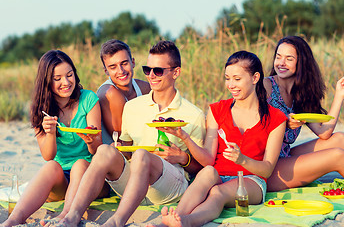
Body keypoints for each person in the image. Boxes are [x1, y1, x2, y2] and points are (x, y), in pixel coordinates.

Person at [48, 40, 206, 227]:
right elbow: (127, 150)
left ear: (176, 72)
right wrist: (119, 149)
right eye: (148, 70)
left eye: (158, 71)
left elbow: (202, 168)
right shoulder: (132, 107)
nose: (152, 76)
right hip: (133, 185)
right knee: (105, 151)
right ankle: (71, 217)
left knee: (141, 155)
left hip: (170, 186)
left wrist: (182, 158)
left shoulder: (193, 114)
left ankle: (117, 221)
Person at [150, 50, 287, 227]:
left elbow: (267, 170)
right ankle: (172, 220)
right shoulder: (217, 110)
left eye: (237, 79)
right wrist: (184, 137)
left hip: (251, 180)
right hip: (217, 174)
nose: (231, 85)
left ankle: (187, 222)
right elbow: (208, 159)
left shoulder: (275, 118)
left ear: (255, 78)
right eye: (227, 78)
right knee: (207, 172)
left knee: (217, 192)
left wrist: (242, 159)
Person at [1, 50, 108, 227]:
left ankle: (65, 216)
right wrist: (50, 133)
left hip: (90, 176)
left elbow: (98, 152)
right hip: (61, 182)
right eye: (57, 78)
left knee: (80, 163)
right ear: (47, 81)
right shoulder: (40, 109)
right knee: (51, 166)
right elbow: (48, 156)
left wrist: (91, 140)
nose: (65, 82)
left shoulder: (89, 99)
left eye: (69, 75)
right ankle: (13, 220)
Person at [264, 36, 344, 191]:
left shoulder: (300, 93)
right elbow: (250, 124)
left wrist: (339, 95)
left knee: (340, 139)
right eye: (278, 57)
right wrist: (282, 123)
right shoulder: (265, 86)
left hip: (284, 155)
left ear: (301, 63)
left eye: (289, 58)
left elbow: (324, 133)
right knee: (336, 155)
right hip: (267, 167)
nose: (281, 63)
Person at [97, 39, 151, 144]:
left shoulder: (144, 88)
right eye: (113, 67)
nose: (121, 71)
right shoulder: (109, 93)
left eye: (124, 63)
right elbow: (123, 142)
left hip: (141, 148)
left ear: (133, 62)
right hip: (117, 154)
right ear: (106, 71)